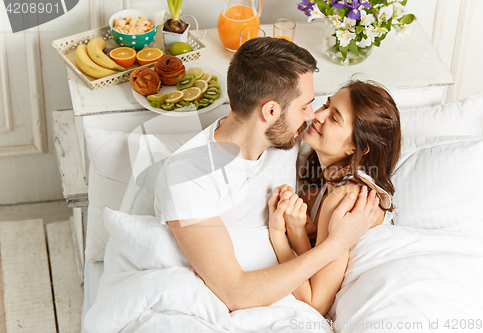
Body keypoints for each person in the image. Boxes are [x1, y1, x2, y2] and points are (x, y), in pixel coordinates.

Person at [154, 37, 380, 312]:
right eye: (305, 106)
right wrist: (336, 244)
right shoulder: (187, 177)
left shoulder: (289, 139)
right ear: (271, 111)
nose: (312, 115)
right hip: (242, 301)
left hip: (293, 288)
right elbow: (235, 293)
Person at [269, 79, 402, 316]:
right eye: (326, 106)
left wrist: (278, 235)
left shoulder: (346, 197)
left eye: (334, 118)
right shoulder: (324, 186)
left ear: (356, 148)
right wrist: (299, 231)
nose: (318, 115)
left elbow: (315, 303)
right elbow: (318, 261)